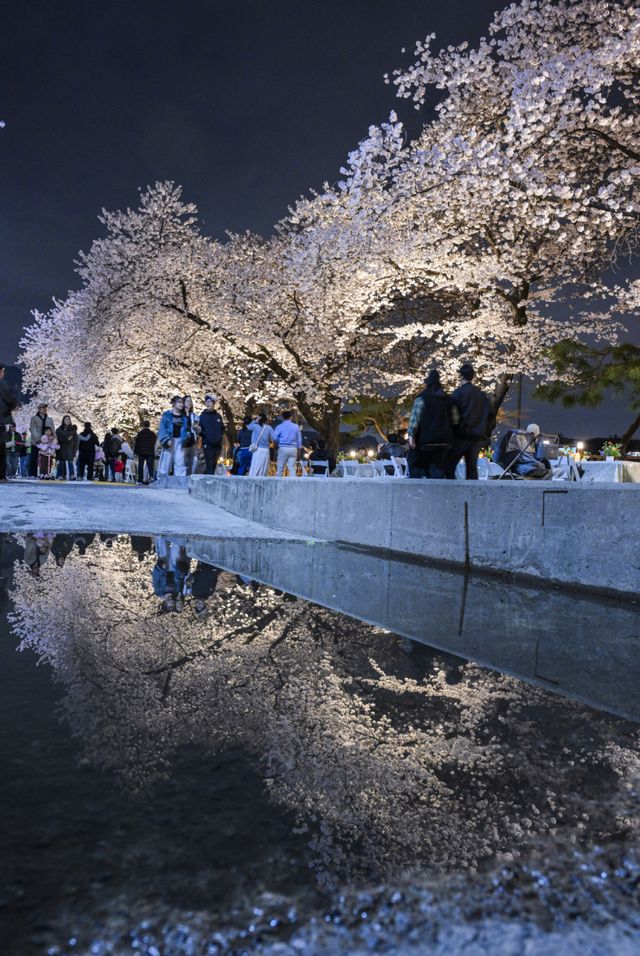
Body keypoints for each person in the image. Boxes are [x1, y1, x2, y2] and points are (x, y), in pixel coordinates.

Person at [445, 364, 493, 480]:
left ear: (461, 376)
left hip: (460, 436)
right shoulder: (481, 395)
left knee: (449, 466)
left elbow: (450, 414)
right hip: (476, 437)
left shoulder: (458, 393)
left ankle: (451, 490)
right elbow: (490, 416)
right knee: (472, 469)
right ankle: (472, 491)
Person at [407, 370, 454, 479]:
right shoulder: (448, 399)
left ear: (427, 384)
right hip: (444, 441)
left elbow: (415, 419)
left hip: (425, 440)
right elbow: (455, 420)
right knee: (438, 468)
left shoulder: (422, 398)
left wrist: (411, 435)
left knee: (416, 466)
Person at [158, 396, 189, 477]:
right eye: (179, 402)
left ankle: (180, 480)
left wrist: (186, 438)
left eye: (182, 402)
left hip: (180, 442)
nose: (181, 404)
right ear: (174, 403)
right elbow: (162, 429)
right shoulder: (167, 416)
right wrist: (166, 439)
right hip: (170, 440)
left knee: (180, 462)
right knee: (166, 462)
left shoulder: (184, 418)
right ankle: (162, 480)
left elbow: (186, 430)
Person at [0, 364, 18, 482]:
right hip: (1, 419)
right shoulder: (2, 384)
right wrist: (9, 408)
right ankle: (1, 475)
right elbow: (12, 400)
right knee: (1, 448)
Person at [198, 395, 225, 475]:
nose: (208, 403)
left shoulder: (218, 416)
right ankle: (208, 479)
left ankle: (209, 477)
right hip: (207, 443)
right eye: (207, 402)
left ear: (213, 403)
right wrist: (205, 435)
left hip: (217, 444)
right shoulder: (202, 417)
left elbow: (222, 428)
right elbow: (199, 430)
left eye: (210, 402)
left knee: (214, 464)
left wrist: (220, 437)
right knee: (209, 462)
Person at [29, 402, 55, 478]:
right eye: (43, 408)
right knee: (33, 458)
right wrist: (38, 439)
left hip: (47, 442)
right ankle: (32, 474)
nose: (44, 409)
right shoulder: (34, 418)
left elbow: (53, 430)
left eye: (45, 408)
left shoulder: (49, 419)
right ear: (39, 409)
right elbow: (33, 429)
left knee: (45, 459)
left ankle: (45, 473)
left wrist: (54, 440)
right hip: (36, 442)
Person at [273, 410, 302, 477]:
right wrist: (299, 448)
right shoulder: (296, 426)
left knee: (280, 468)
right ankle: (293, 482)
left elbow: (274, 438)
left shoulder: (279, 426)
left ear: (282, 417)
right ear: (291, 417)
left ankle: (278, 482)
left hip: (282, 448)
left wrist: (277, 442)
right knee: (292, 468)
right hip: (293, 448)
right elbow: (299, 439)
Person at [133, 419, 157, 484]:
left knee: (140, 466)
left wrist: (135, 452)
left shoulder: (140, 433)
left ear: (143, 425)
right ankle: (151, 477)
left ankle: (140, 480)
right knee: (150, 466)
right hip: (150, 452)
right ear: (149, 425)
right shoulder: (152, 434)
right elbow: (155, 443)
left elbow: (137, 443)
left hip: (141, 452)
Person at [182, 396, 200, 475]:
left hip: (192, 440)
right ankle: (182, 477)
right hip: (182, 441)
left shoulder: (194, 416)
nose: (189, 403)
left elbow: (197, 430)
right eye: (187, 401)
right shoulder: (180, 415)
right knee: (182, 460)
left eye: (190, 401)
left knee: (194, 460)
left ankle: (190, 476)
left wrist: (197, 428)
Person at [56, 415, 77, 480]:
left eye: (69, 419)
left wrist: (74, 451)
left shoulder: (73, 430)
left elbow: (76, 441)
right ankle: (60, 475)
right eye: (66, 419)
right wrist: (66, 439)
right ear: (63, 420)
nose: (67, 421)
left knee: (70, 462)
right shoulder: (59, 429)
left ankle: (72, 475)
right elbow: (57, 439)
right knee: (61, 462)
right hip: (61, 448)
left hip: (70, 448)